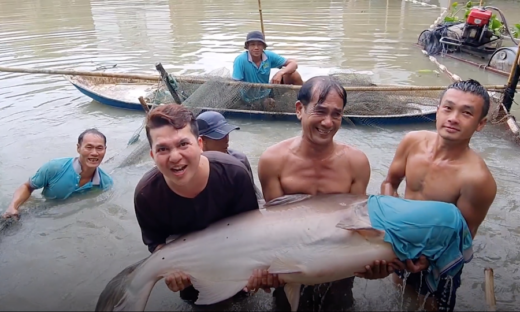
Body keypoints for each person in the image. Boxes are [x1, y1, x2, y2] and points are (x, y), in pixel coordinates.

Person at [357, 79, 497, 312]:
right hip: (400, 239)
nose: (453, 117)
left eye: (466, 113)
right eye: (448, 108)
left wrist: (427, 260)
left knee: (431, 306)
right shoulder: (412, 142)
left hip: (435, 258)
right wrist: (389, 230)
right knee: (402, 295)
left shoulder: (477, 179)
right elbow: (390, 182)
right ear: (438, 110)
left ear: (480, 124)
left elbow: (463, 236)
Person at [245, 76, 371, 311]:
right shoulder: (273, 161)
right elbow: (275, 225)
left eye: (337, 114)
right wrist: (265, 269)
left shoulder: (357, 163)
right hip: (291, 263)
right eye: (320, 111)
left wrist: (373, 262)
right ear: (299, 110)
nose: (328, 122)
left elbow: (358, 225)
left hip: (338, 263)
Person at [133, 103, 260, 303]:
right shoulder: (146, 195)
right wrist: (172, 271)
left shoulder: (234, 173)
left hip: (237, 263)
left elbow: (253, 230)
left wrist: (255, 270)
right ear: (152, 155)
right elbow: (156, 242)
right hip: (191, 270)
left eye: (183, 144)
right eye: (163, 149)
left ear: (200, 144)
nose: (175, 157)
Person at [2, 128, 113, 219]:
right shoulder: (55, 167)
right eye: (89, 147)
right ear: (78, 148)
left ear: (105, 150)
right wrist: (13, 206)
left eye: (99, 148)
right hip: (42, 208)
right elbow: (27, 186)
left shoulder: (105, 183)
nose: (94, 153)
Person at [196, 110, 263, 199]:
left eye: (227, 133)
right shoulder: (192, 167)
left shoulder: (239, 161)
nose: (226, 140)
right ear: (202, 141)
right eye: (219, 136)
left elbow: (256, 198)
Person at [232, 30, 304, 108]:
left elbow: (293, 64)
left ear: (263, 46)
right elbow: (236, 85)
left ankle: (304, 102)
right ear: (247, 47)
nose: (256, 48)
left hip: (267, 91)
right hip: (249, 98)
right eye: (252, 44)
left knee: (294, 74)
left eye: (259, 44)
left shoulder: (268, 55)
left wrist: (280, 73)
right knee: (269, 104)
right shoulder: (240, 60)